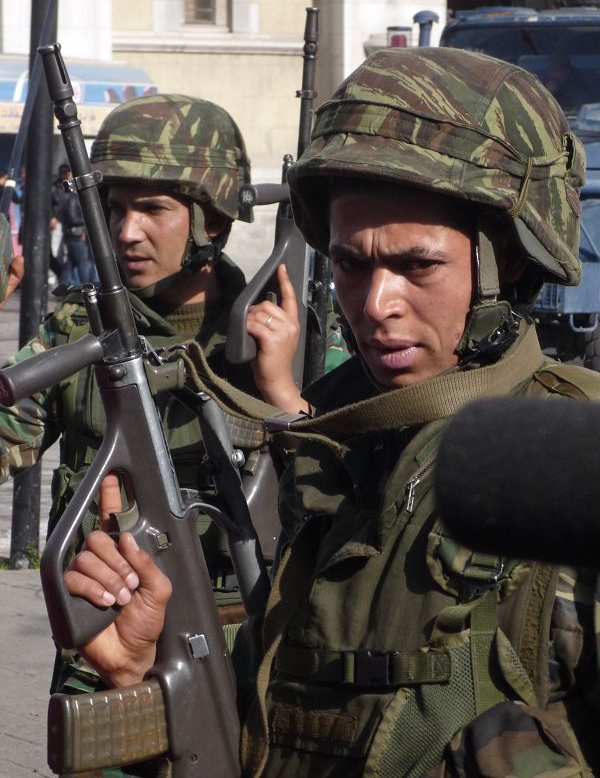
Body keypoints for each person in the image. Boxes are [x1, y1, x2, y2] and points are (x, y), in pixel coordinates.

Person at [65, 47, 600, 776]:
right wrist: (148, 671)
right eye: (352, 264)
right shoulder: (337, 453)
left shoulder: (573, 457)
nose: (376, 306)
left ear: (504, 258)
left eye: (417, 266)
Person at [0, 93, 306, 697]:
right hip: (108, 643)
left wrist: (280, 393)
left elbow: (348, 501)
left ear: (211, 221)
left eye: (152, 209)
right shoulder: (80, 333)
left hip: (248, 652)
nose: (125, 231)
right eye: (115, 209)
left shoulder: (276, 338)